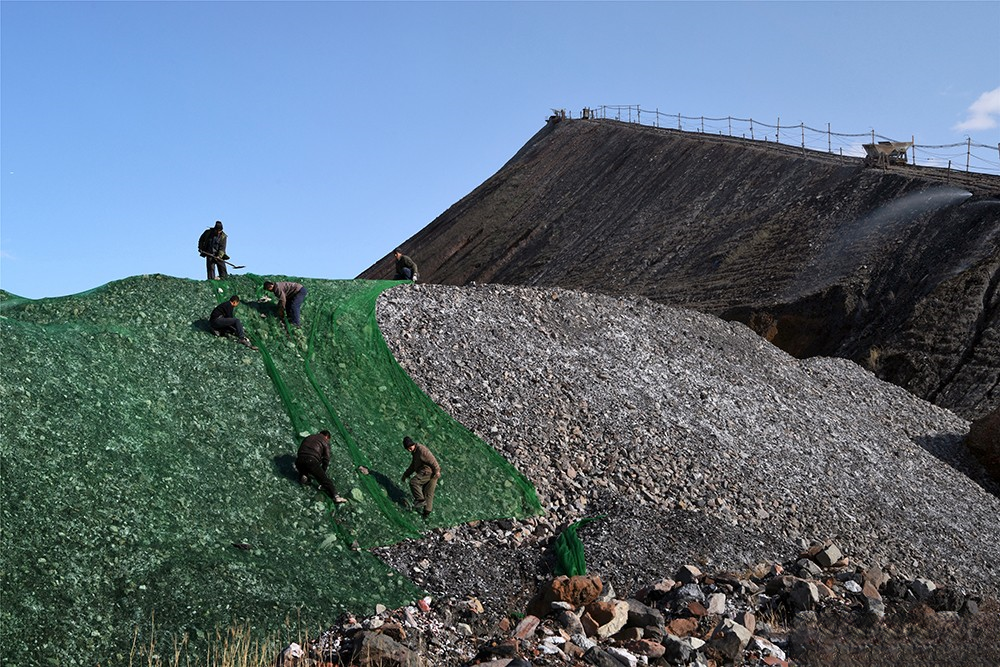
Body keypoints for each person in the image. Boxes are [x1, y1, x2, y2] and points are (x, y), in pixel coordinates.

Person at [296, 430, 347, 503]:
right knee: (325, 480)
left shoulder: (309, 437)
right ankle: (336, 497)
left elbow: (300, 449)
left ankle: (304, 476)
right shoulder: (325, 441)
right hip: (311, 461)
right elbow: (326, 459)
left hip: (299, 460)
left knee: (305, 472)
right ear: (327, 437)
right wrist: (323, 471)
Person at [401, 436, 440, 518]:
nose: (409, 449)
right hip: (432, 474)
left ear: (413, 444)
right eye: (407, 448)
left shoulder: (421, 450)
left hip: (428, 472)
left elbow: (433, 460)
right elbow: (413, 466)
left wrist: (437, 471)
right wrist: (406, 474)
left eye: (410, 447)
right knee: (428, 493)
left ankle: (420, 500)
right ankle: (426, 514)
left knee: (413, 482)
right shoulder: (415, 452)